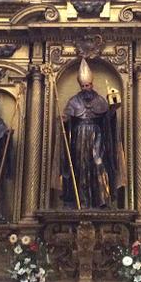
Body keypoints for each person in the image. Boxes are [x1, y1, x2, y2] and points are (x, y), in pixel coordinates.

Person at [52, 58, 126, 209]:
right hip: (78, 137)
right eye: (83, 86)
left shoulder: (100, 100)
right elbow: (66, 120)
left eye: (88, 85)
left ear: (92, 84)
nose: (86, 88)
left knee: (99, 164)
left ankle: (102, 200)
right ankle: (81, 201)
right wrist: (64, 120)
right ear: (81, 86)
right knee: (80, 167)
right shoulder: (73, 101)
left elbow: (107, 121)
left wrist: (112, 111)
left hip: (97, 137)